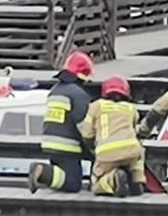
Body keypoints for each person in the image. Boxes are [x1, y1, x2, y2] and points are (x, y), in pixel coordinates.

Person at [28, 51, 93, 194]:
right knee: (73, 183)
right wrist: (93, 146)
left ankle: (45, 174)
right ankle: (42, 171)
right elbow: (84, 126)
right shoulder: (78, 95)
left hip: (50, 144)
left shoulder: (55, 91)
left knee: (61, 176)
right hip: (68, 147)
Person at [79, 76, 146, 197]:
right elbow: (135, 129)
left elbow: (86, 133)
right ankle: (137, 181)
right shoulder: (131, 108)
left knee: (96, 183)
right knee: (138, 153)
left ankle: (112, 179)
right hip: (131, 150)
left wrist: (91, 148)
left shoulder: (96, 106)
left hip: (106, 152)